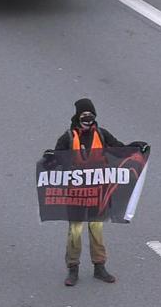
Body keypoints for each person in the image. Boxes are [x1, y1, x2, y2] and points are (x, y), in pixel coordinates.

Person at [44, 98, 133, 287]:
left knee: (96, 229)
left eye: (90, 115)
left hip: (97, 192)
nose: (87, 118)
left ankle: (99, 267)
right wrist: (50, 157)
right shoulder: (68, 138)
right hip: (75, 193)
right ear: (77, 116)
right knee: (75, 231)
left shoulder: (102, 134)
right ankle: (73, 268)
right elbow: (56, 160)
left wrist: (137, 148)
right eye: (84, 115)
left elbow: (120, 150)